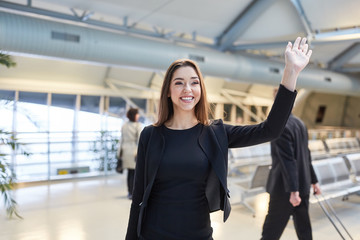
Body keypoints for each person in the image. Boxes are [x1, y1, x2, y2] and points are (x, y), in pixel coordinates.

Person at [126, 37, 312, 240]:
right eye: (179, 83)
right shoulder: (150, 135)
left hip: (198, 234)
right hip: (154, 234)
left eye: (194, 83)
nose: (187, 89)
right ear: (168, 92)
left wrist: (290, 72)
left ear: (200, 90)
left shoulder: (215, 133)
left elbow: (269, 130)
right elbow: (138, 197)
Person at [261, 99, 321, 239]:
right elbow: (306, 155)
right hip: (303, 186)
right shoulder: (300, 123)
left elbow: (288, 161)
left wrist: (293, 191)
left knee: (270, 233)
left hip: (285, 190)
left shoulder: (279, 126)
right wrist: (314, 181)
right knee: (304, 230)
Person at [118, 108, 143, 200]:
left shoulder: (124, 126)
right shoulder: (137, 126)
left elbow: (121, 140)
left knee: (130, 173)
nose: (138, 116)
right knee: (136, 173)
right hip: (134, 152)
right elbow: (140, 140)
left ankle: (130, 192)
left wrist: (119, 153)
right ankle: (134, 193)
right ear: (134, 115)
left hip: (125, 151)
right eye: (137, 114)